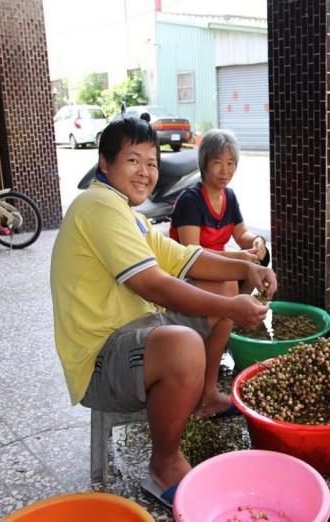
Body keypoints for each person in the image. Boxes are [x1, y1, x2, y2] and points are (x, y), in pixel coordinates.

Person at [50, 117, 277, 507]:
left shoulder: (130, 216)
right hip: (101, 360)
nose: (145, 173)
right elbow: (153, 284)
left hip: (140, 330)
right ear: (105, 163)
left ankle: (204, 394)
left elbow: (185, 258)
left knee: (219, 287)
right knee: (184, 345)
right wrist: (232, 307)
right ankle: (165, 464)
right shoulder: (97, 206)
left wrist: (245, 267)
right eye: (133, 161)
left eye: (152, 163)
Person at [170, 128, 269, 281]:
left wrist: (257, 242)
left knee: (257, 264)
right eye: (217, 162)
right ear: (204, 163)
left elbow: (241, 234)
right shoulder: (190, 200)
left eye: (230, 163)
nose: (225, 171)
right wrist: (236, 257)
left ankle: (240, 303)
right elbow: (192, 253)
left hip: (217, 266)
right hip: (186, 272)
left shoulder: (229, 197)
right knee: (232, 280)